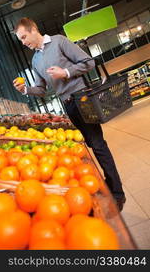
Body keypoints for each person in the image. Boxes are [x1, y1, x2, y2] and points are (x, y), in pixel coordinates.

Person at [13, 17, 126, 211]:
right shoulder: (35, 60)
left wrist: (65, 72)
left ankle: (117, 192)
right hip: (67, 105)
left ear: (33, 29)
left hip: (82, 98)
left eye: (24, 37)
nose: (23, 42)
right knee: (91, 143)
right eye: (20, 40)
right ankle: (108, 181)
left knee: (98, 144)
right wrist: (25, 90)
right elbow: (41, 89)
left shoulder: (59, 41)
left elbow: (88, 62)